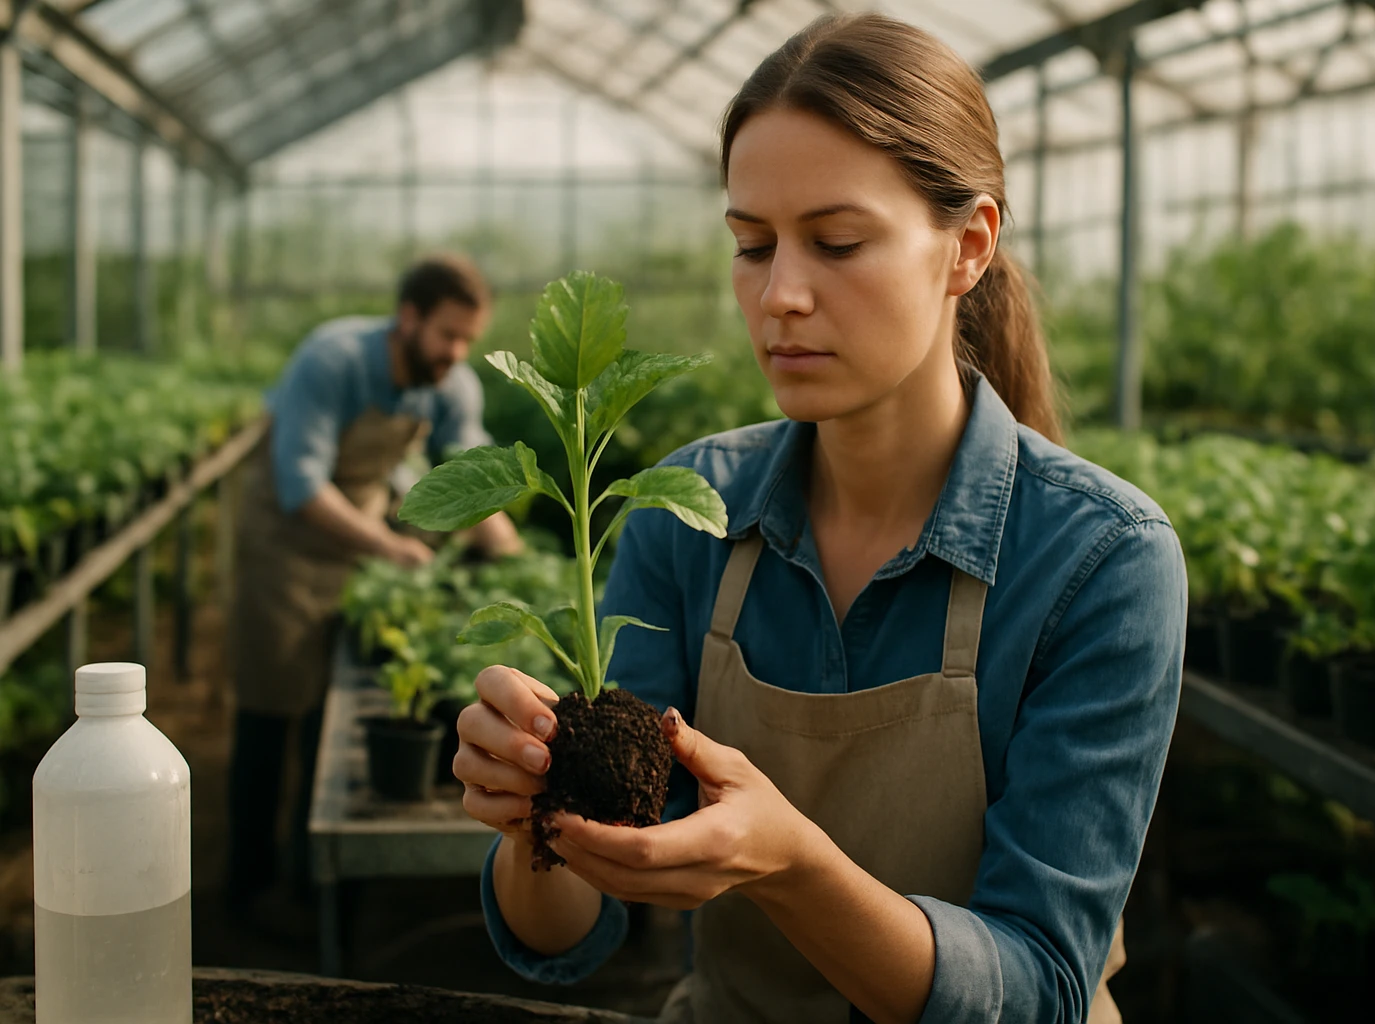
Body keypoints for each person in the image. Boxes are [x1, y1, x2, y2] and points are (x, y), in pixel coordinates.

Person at [455, 15, 1182, 1024]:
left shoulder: (1099, 559)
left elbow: (1043, 987)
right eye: (751, 245)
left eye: (837, 242)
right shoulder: (688, 515)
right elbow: (575, 925)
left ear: (968, 247)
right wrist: (535, 816)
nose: (780, 295)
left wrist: (794, 866)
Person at [226, 255, 523, 922]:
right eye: (448, 334)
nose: (457, 352)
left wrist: (511, 550)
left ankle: (311, 886)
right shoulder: (332, 361)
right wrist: (390, 547)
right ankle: (247, 888)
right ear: (408, 317)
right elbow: (301, 485)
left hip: (359, 540)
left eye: (469, 339)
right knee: (272, 709)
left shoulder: (449, 384)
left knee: (329, 713)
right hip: (287, 546)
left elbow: (471, 474)